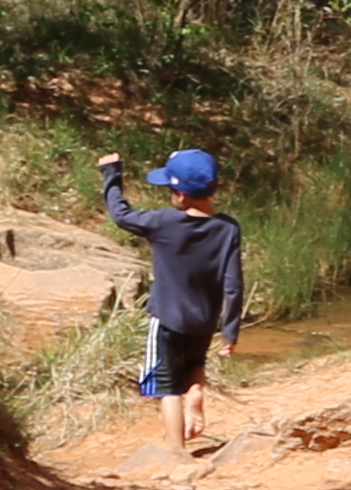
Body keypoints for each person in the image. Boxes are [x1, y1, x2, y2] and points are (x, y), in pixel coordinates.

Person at [98, 145, 244, 459]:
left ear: (179, 195)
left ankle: (176, 450)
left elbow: (121, 215)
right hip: (204, 322)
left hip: (166, 319)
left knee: (165, 388)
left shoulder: (164, 223)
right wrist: (230, 331)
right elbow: (233, 284)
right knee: (194, 365)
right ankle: (196, 395)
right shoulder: (228, 228)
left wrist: (112, 175)